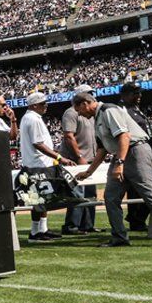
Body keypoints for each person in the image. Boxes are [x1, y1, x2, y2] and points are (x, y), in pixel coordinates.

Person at [73, 91, 152, 248]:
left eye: (78, 110)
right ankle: (119, 237)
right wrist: (89, 172)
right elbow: (102, 149)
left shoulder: (109, 110)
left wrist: (120, 163)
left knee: (149, 193)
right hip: (121, 154)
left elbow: (124, 136)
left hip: (135, 151)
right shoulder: (98, 117)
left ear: (84, 104)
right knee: (111, 197)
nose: (79, 114)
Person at [18, 91, 68, 242]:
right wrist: (59, 157)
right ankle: (34, 233)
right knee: (38, 200)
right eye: (42, 103)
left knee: (44, 198)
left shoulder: (30, 117)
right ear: (34, 105)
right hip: (37, 164)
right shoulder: (33, 120)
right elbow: (38, 144)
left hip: (38, 163)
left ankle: (42, 229)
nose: (46, 106)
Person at [59, 84, 98, 235]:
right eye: (89, 93)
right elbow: (69, 136)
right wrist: (79, 156)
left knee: (90, 194)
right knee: (77, 194)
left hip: (90, 159)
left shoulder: (90, 112)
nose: (92, 95)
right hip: (76, 160)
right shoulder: (71, 112)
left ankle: (87, 225)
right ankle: (71, 226)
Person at [120, 82, 152, 232]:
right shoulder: (122, 111)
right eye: (135, 93)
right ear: (124, 95)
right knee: (140, 188)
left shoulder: (136, 109)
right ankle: (136, 219)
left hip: (146, 153)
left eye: (139, 93)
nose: (139, 96)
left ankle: (136, 218)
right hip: (134, 153)